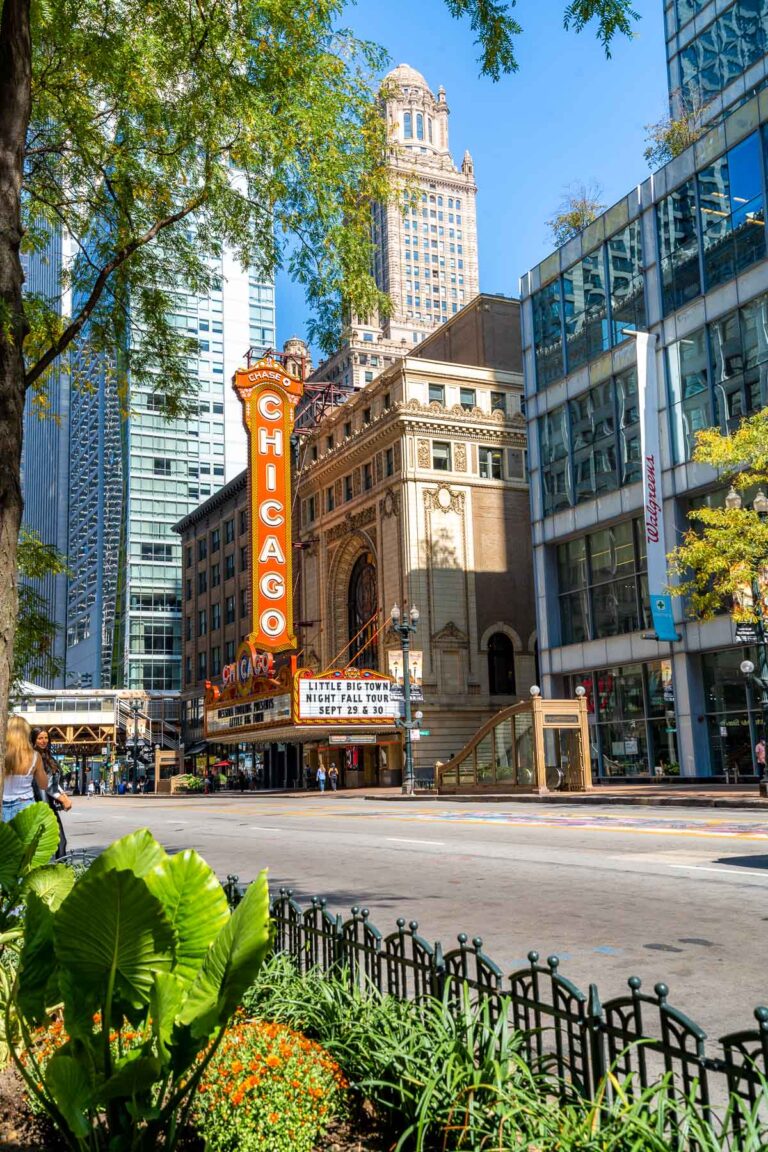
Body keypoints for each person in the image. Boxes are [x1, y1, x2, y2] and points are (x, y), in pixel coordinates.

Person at [30, 727, 72, 858]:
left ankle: (59, 873)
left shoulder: (47, 756)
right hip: (40, 804)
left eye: (46, 738)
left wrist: (63, 795)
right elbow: (46, 784)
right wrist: (62, 798)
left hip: (48, 804)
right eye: (40, 738)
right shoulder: (34, 756)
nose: (44, 741)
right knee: (54, 842)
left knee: (60, 842)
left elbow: (53, 781)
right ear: (34, 740)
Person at [3, 716, 50, 823]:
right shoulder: (34, 756)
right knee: (27, 839)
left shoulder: (2, 754)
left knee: (5, 839)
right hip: (25, 805)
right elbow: (43, 785)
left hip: (2, 805)